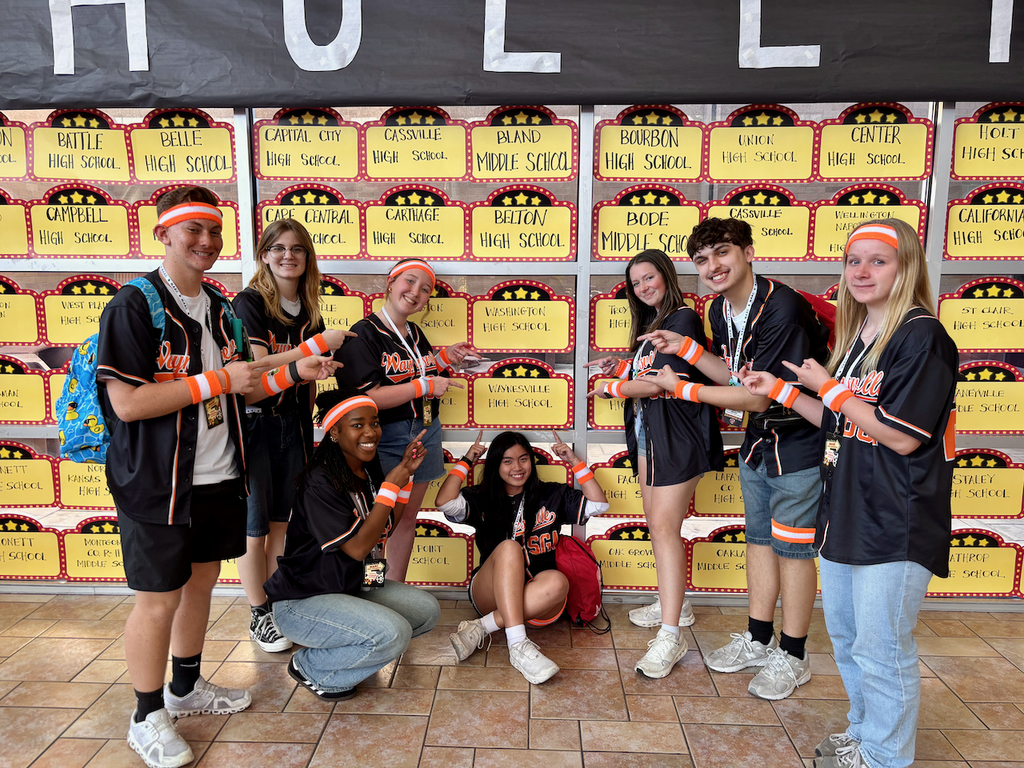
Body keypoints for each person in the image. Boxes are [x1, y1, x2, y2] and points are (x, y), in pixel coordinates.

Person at [97, 186, 337, 768]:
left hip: (218, 476)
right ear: (163, 234)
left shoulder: (220, 307)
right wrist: (218, 383)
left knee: (201, 584)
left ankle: (184, 687)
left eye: (213, 230)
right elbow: (128, 403)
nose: (205, 241)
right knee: (158, 600)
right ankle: (146, 714)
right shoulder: (134, 305)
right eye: (192, 230)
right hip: (157, 482)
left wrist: (297, 370)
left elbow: (246, 382)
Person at [740, 220, 957, 768]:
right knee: (848, 638)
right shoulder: (863, 338)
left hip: (895, 519)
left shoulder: (922, 335)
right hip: (845, 514)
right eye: (853, 260)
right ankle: (865, 733)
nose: (861, 271)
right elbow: (838, 421)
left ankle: (887, 756)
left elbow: (902, 435)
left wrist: (828, 386)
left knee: (883, 649)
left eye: (877, 261)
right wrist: (786, 390)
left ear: (906, 266)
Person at [642, 217, 830, 700]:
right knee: (760, 542)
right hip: (758, 444)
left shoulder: (782, 307)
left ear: (747, 251)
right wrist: (683, 346)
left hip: (799, 442)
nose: (712, 266)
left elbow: (759, 397)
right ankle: (759, 636)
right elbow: (734, 374)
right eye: (702, 260)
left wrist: (680, 386)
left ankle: (793, 653)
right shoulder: (723, 311)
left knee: (793, 550)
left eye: (722, 253)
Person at [585, 248, 723, 678]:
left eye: (649, 278)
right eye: (636, 283)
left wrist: (614, 387)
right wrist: (623, 366)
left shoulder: (681, 318)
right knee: (657, 525)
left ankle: (670, 635)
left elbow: (657, 385)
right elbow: (649, 372)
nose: (643, 287)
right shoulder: (653, 325)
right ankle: (673, 609)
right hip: (650, 437)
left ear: (666, 275)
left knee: (664, 529)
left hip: (676, 441)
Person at [265, 387, 441, 699]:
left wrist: (405, 478)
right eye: (357, 425)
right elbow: (357, 547)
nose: (370, 432)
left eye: (374, 423)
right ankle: (312, 667)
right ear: (334, 432)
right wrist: (390, 486)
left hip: (350, 586)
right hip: (302, 601)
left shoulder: (367, 468)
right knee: (392, 632)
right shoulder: (319, 479)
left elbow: (383, 531)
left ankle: (356, 651)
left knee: (426, 611)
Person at [231, 219, 354, 654]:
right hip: (255, 424)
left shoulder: (309, 308)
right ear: (264, 254)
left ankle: (276, 596)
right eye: (278, 248)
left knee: (283, 520)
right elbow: (258, 369)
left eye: (297, 249)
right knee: (254, 526)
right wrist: (314, 348)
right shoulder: (248, 303)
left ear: (308, 258)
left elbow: (303, 374)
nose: (288, 256)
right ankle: (258, 612)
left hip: (295, 424)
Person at [334, 258, 480, 582]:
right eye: (410, 282)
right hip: (384, 437)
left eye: (425, 289)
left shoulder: (414, 332)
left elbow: (417, 371)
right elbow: (368, 397)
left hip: (425, 432)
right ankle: (372, 590)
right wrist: (425, 385)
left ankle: (394, 591)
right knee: (378, 520)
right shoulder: (363, 333)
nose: (416, 292)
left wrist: (444, 359)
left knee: (406, 519)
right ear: (391, 281)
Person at [436, 430, 609, 684]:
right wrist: (466, 461)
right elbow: (445, 503)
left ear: (532, 461)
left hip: (537, 596)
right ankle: (518, 645)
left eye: (523, 459)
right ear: (496, 465)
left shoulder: (552, 494)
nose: (517, 467)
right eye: (507, 461)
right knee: (508, 548)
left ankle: (482, 627)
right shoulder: (483, 496)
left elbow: (599, 504)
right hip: (489, 592)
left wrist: (574, 460)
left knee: (559, 581)